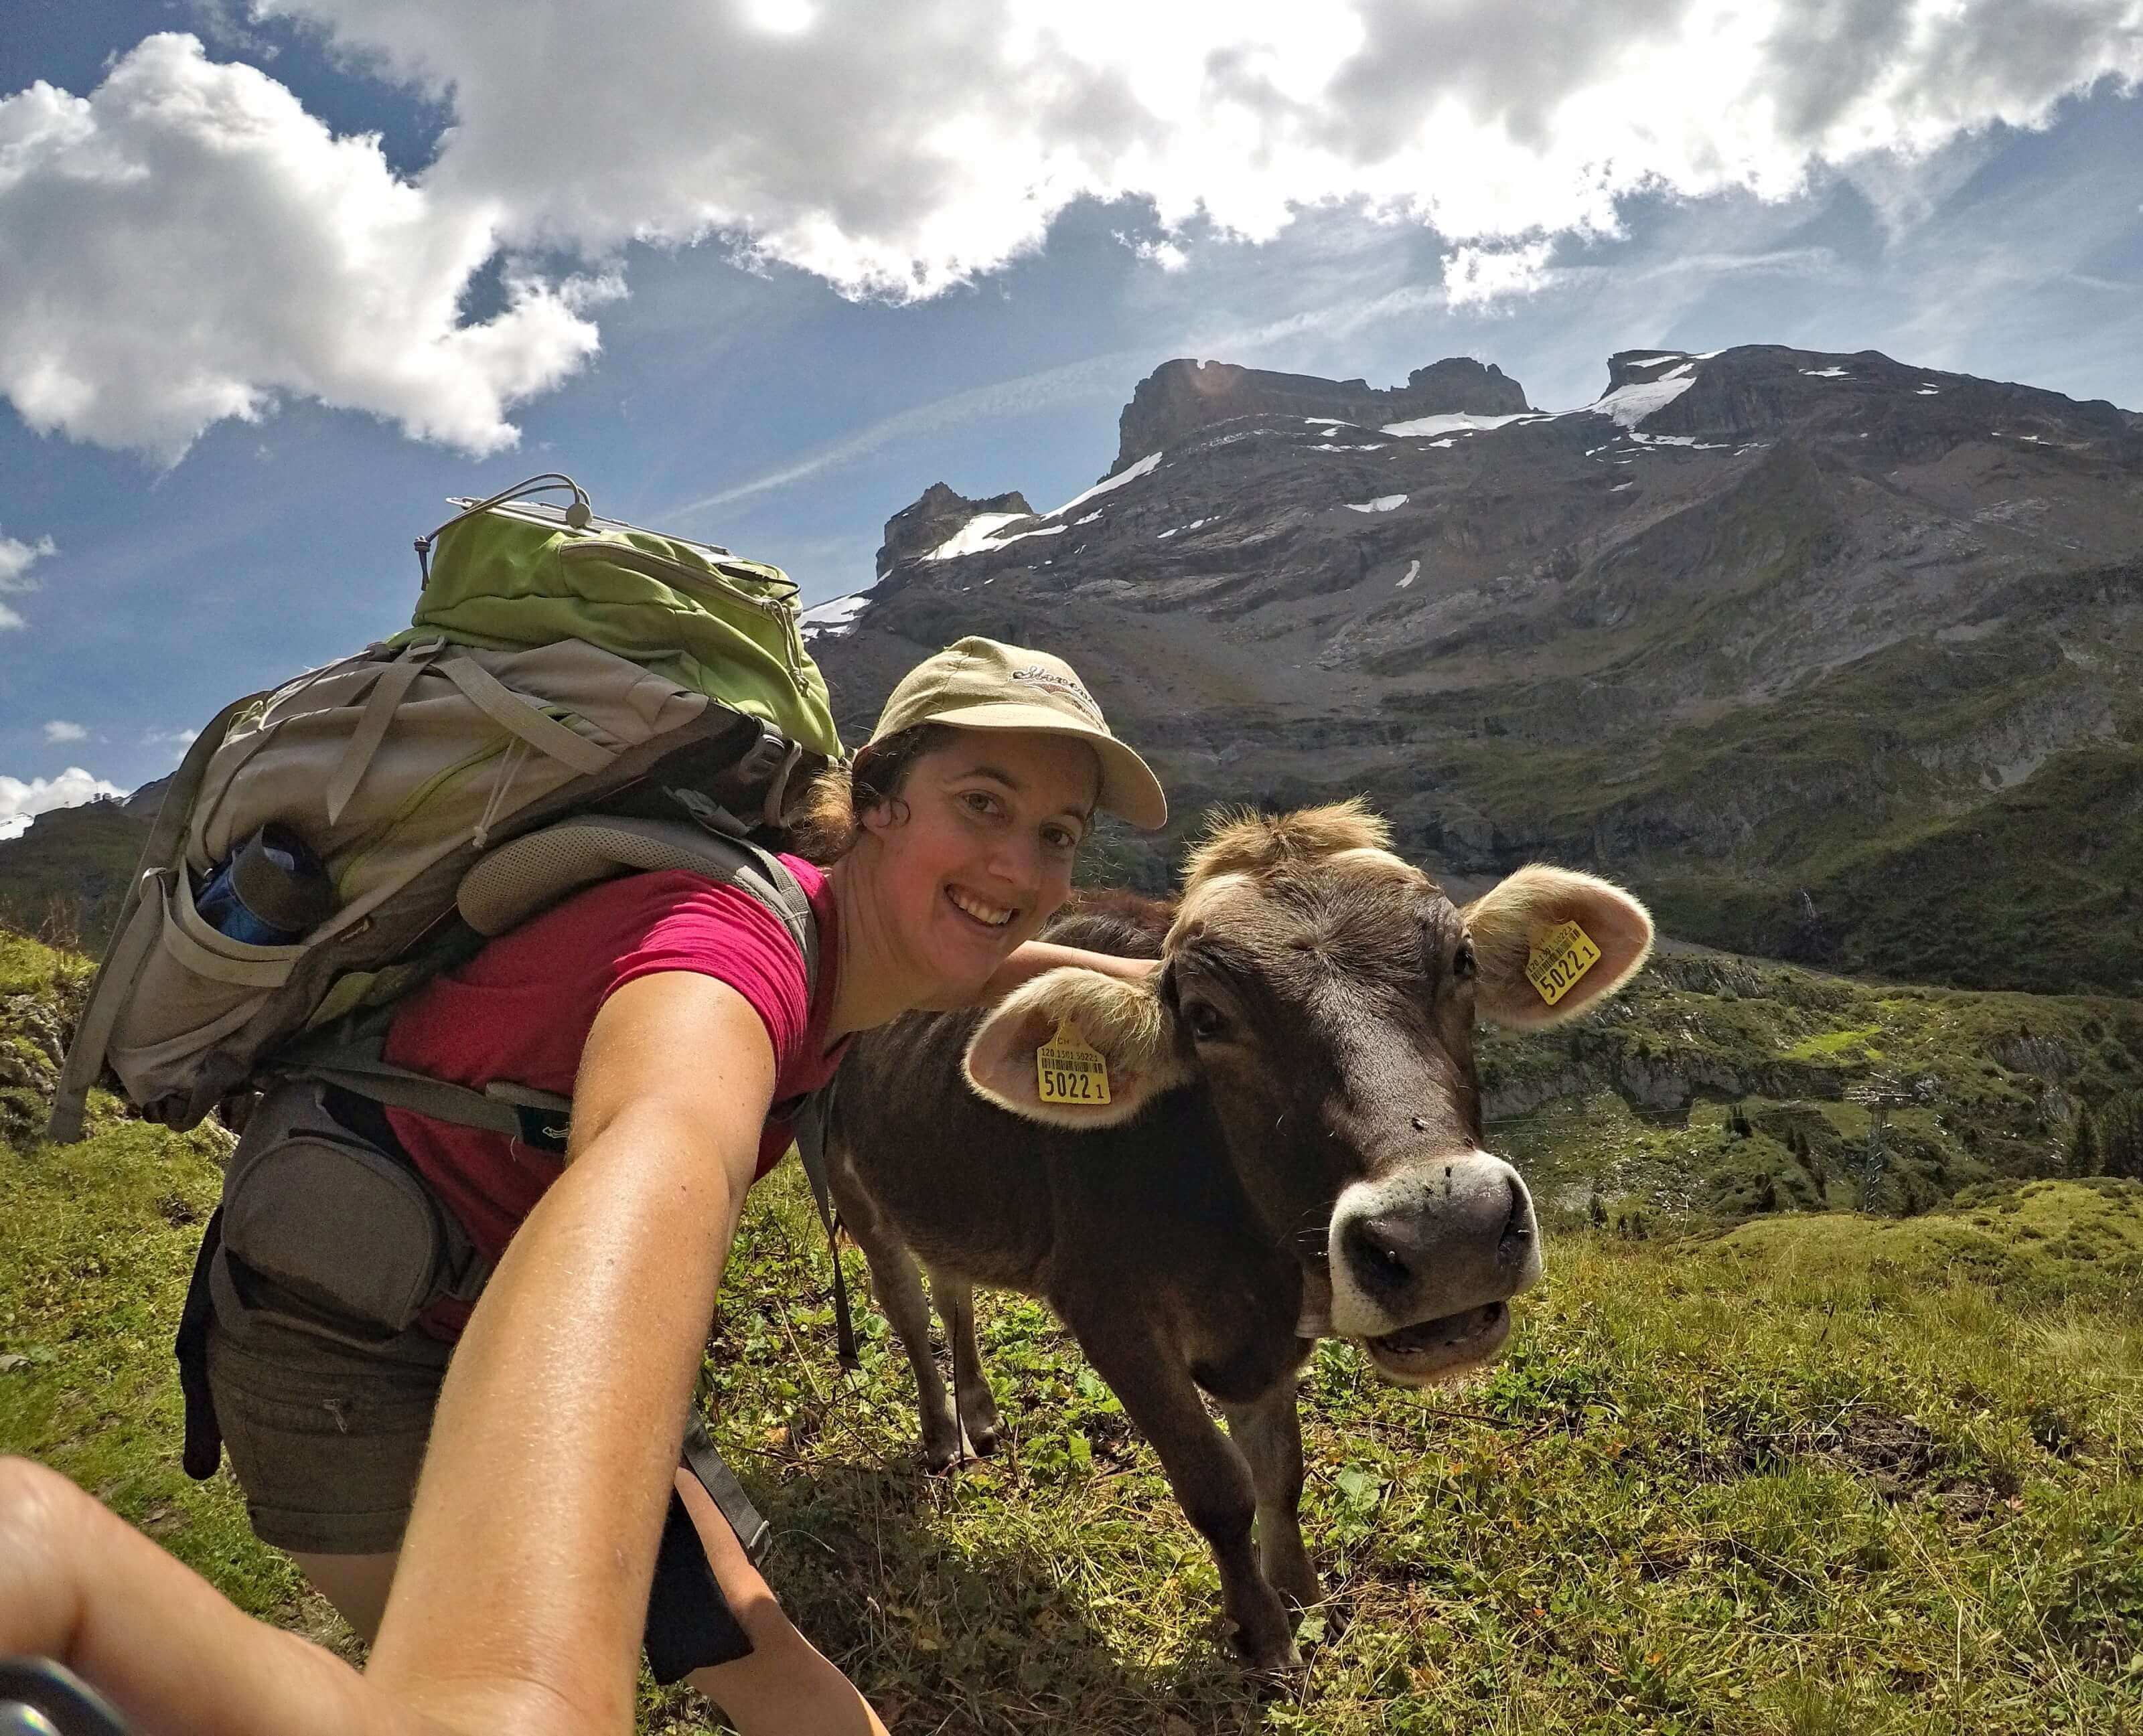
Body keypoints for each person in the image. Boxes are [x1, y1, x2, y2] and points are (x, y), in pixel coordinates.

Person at [0, 635, 1168, 1736]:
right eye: (984, 805)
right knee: (432, 1693)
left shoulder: (855, 928)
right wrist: (516, 1688)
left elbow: (983, 948)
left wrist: (1180, 976)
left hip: (500, 1298)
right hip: (340, 1343)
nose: (1019, 866)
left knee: (761, 1652)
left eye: (1058, 835)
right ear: (874, 800)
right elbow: (659, 1149)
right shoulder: (725, 963)